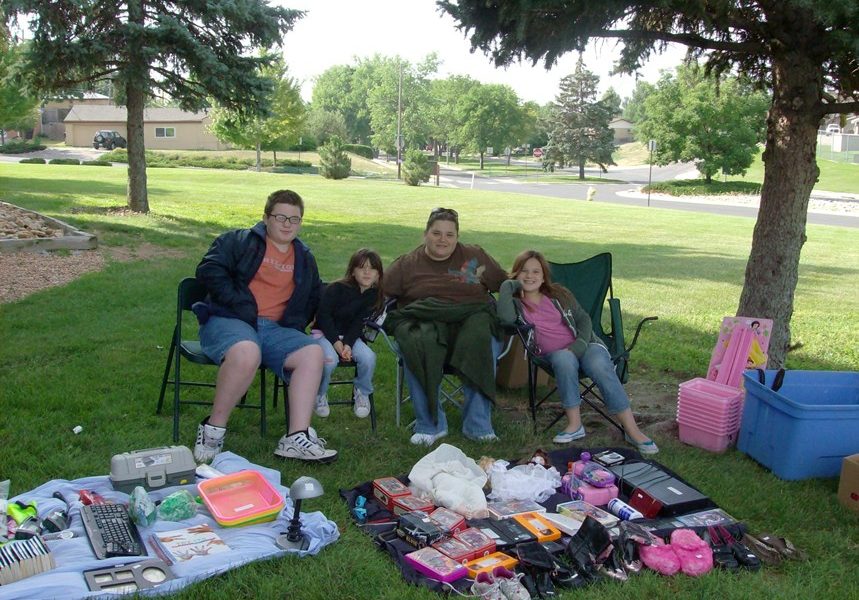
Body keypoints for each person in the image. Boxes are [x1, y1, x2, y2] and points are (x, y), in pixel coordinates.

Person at [193, 189, 337, 463]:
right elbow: (209, 270)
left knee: (312, 353)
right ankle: (213, 430)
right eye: (280, 217)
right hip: (231, 319)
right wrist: (239, 302)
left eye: (294, 219)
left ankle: (296, 437)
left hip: (274, 329)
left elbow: (312, 295)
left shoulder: (304, 256)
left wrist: (295, 324)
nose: (287, 224)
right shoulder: (238, 241)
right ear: (266, 218)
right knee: (247, 352)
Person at [497, 250, 658, 454]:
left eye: (536, 271)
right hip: (553, 355)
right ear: (516, 274)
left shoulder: (558, 294)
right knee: (564, 358)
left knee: (599, 365)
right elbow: (506, 320)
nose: (530, 276)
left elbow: (583, 319)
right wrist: (507, 285)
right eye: (524, 271)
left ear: (544, 276)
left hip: (585, 345)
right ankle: (575, 425)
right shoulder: (514, 303)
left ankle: (632, 430)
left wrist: (579, 344)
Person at [383, 207, 507, 445]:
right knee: (416, 340)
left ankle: (478, 425)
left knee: (483, 336)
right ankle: (430, 425)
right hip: (425, 321)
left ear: (457, 237)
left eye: (450, 234)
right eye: (436, 233)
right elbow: (379, 294)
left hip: (471, 318)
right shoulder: (406, 264)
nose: (443, 240)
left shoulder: (475, 256)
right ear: (425, 234)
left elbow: (505, 283)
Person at [314, 248, 384, 419]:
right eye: (362, 267)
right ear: (352, 271)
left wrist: (348, 345)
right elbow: (323, 317)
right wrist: (337, 344)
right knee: (329, 361)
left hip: (350, 337)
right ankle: (319, 394)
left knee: (369, 358)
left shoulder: (373, 296)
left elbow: (359, 323)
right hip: (324, 334)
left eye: (372, 268)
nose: (367, 272)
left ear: (378, 274)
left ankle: (361, 392)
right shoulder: (336, 289)